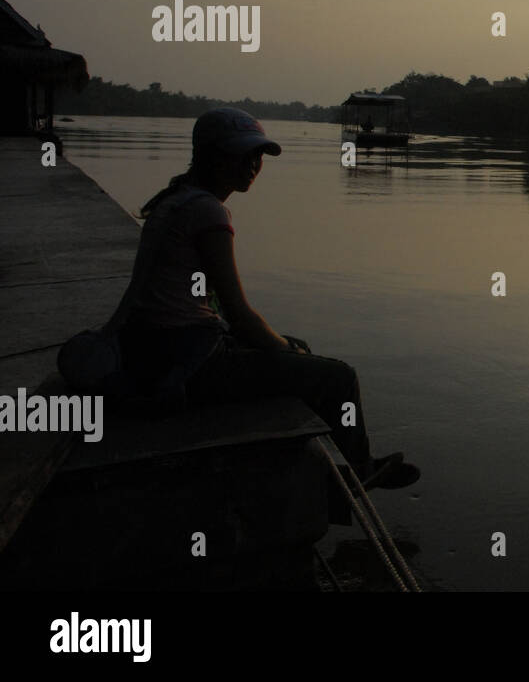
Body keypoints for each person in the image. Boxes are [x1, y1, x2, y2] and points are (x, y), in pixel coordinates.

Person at [117, 107, 418, 490]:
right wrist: (284, 350)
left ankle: (331, 464)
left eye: (257, 156)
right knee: (338, 378)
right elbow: (240, 314)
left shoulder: (175, 200)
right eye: (243, 155)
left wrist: (284, 347)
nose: (253, 165)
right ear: (211, 156)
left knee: (297, 348)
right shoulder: (207, 212)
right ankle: (356, 472)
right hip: (185, 363)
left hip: (155, 350)